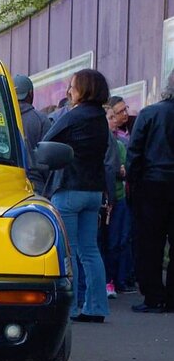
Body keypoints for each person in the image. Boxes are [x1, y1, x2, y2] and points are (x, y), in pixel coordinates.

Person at [42, 68, 111, 323]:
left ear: (83, 88)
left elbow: (46, 143)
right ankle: (96, 308)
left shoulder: (73, 116)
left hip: (69, 188)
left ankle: (68, 309)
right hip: (93, 190)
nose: (69, 91)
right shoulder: (101, 119)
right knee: (90, 251)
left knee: (67, 253)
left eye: (72, 86)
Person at [125, 68, 174, 313]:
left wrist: (132, 182)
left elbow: (135, 152)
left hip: (152, 184)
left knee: (149, 244)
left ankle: (153, 296)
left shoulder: (150, 113)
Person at [101, 104, 136, 298]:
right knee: (105, 242)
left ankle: (114, 280)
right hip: (107, 197)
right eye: (111, 116)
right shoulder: (106, 143)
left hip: (117, 197)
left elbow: (123, 169)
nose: (115, 120)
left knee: (117, 241)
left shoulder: (120, 144)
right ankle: (109, 280)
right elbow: (115, 169)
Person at [13, 74, 52, 195]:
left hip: (4, 182)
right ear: (31, 93)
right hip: (35, 185)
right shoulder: (41, 120)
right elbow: (48, 158)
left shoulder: (0, 117)